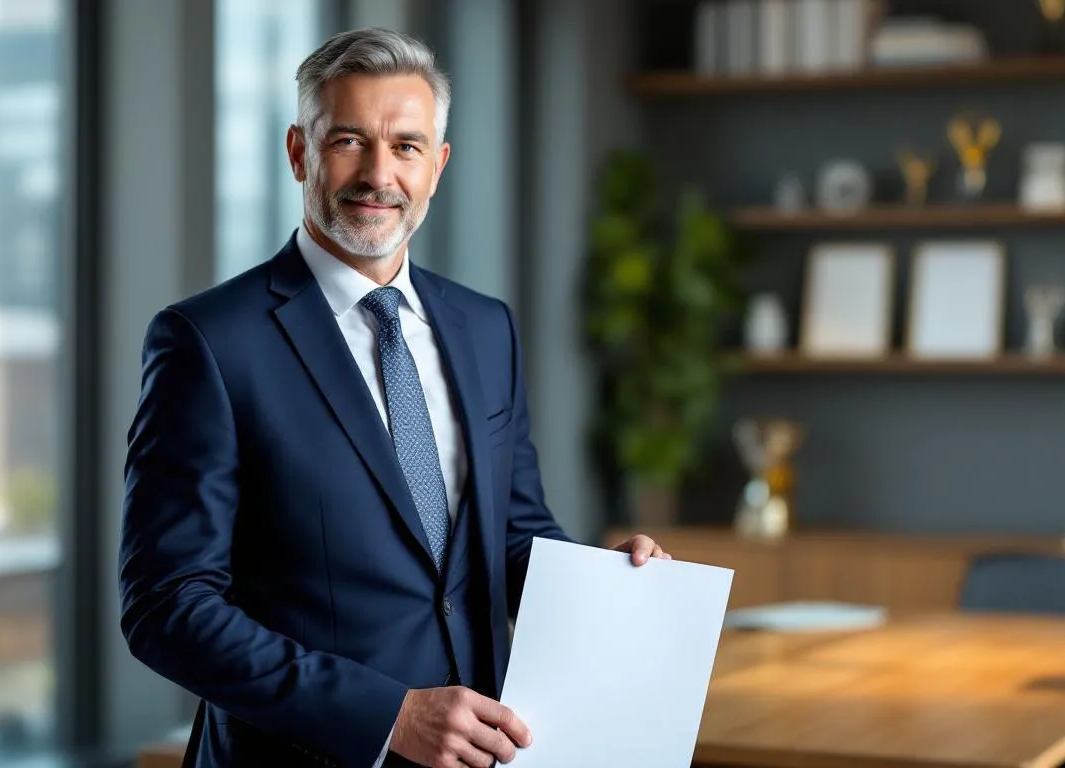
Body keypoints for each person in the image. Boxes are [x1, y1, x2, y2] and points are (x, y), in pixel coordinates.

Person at [118, 26, 670, 768]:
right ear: (299, 153)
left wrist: (605, 584)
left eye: (406, 146)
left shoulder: (485, 327)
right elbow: (167, 606)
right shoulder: (208, 341)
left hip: (484, 751)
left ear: (437, 167)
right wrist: (388, 716)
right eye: (349, 140)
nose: (379, 174)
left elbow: (511, 537)